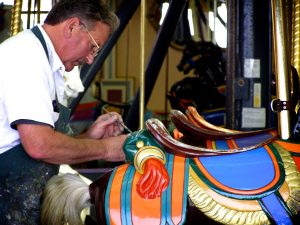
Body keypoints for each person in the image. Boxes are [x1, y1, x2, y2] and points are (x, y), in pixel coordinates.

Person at [0, 0, 127, 224]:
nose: (90, 59)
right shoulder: (25, 58)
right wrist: (106, 149)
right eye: (92, 47)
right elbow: (39, 145)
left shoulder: (47, 62)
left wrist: (88, 138)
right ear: (72, 27)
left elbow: (33, 142)